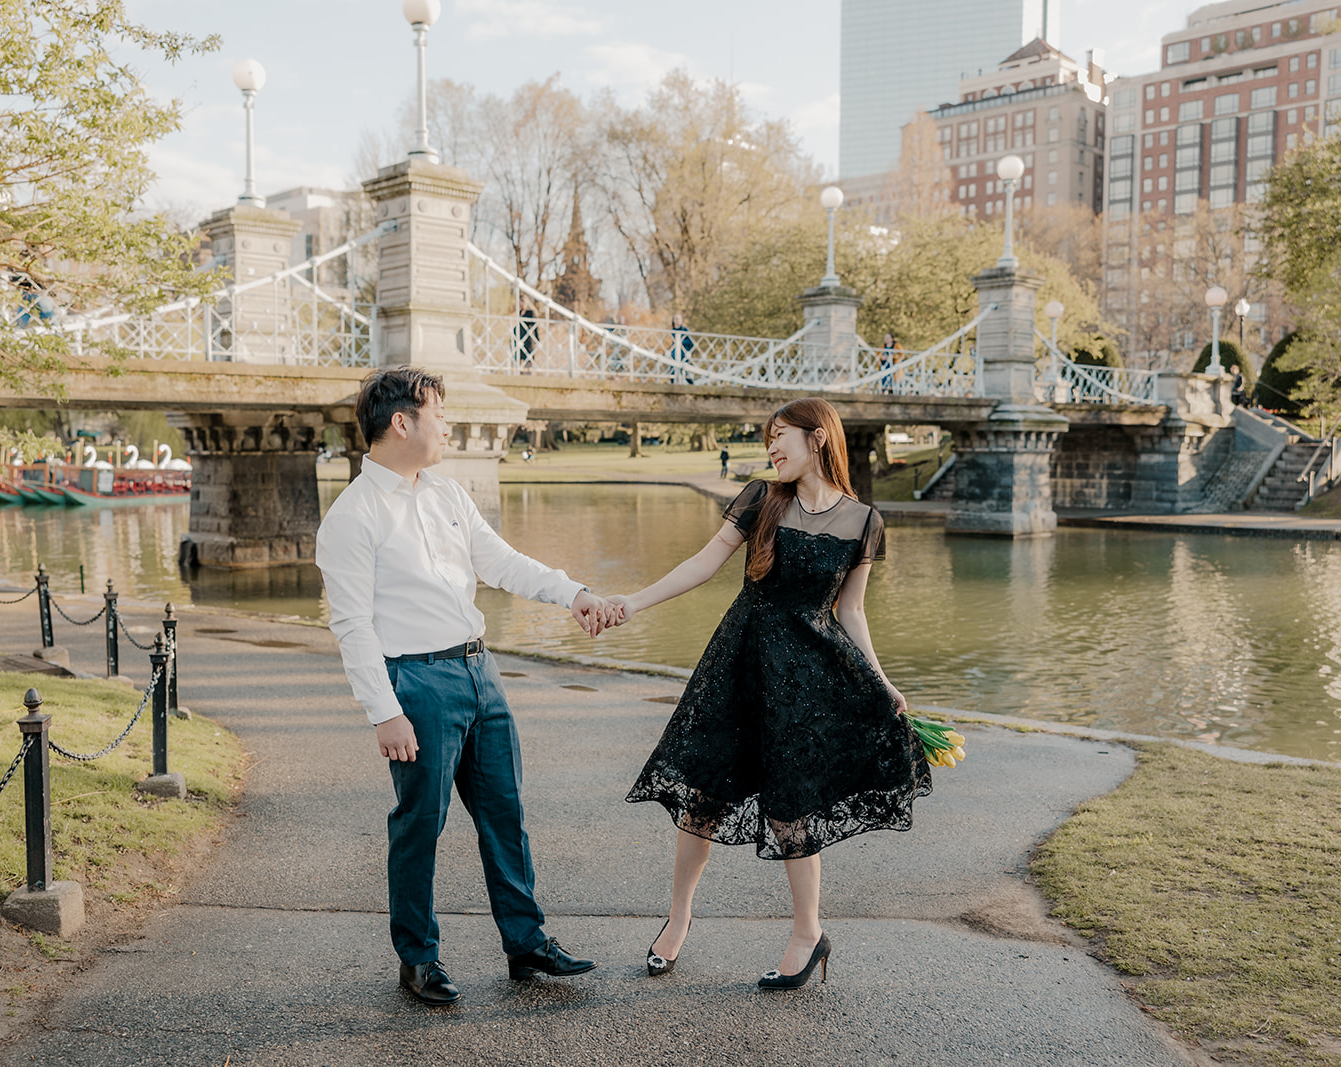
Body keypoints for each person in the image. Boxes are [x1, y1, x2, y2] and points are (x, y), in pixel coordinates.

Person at [315, 367, 622, 1006]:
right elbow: (351, 624)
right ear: (402, 422)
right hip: (415, 684)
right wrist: (384, 711)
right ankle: (419, 959)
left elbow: (502, 562)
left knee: (505, 814)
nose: (448, 424)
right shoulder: (353, 516)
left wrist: (575, 593)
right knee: (419, 824)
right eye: (439, 413)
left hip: (480, 672)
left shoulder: (448, 495)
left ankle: (527, 945)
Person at [608, 396, 929, 990]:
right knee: (702, 795)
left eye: (781, 436)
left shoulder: (864, 522)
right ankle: (677, 922)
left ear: (819, 439)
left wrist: (881, 681)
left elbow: (852, 612)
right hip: (738, 663)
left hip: (805, 679)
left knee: (791, 805)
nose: (772, 448)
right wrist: (632, 603)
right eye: (768, 440)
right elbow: (702, 564)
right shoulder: (760, 499)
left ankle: (808, 935)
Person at [515, 303, 539, 373]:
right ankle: (520, 374)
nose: (519, 304)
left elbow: (535, 326)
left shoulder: (530, 313)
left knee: (528, 358)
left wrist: (537, 339)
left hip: (528, 339)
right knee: (519, 358)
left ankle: (529, 373)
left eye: (521, 302)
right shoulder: (519, 313)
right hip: (520, 338)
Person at [671, 314, 694, 384]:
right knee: (672, 369)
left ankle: (692, 384)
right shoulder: (672, 330)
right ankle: (672, 385)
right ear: (673, 320)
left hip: (684, 353)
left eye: (679, 319)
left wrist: (680, 341)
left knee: (684, 370)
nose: (677, 321)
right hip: (674, 353)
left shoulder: (685, 330)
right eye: (676, 319)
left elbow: (691, 341)